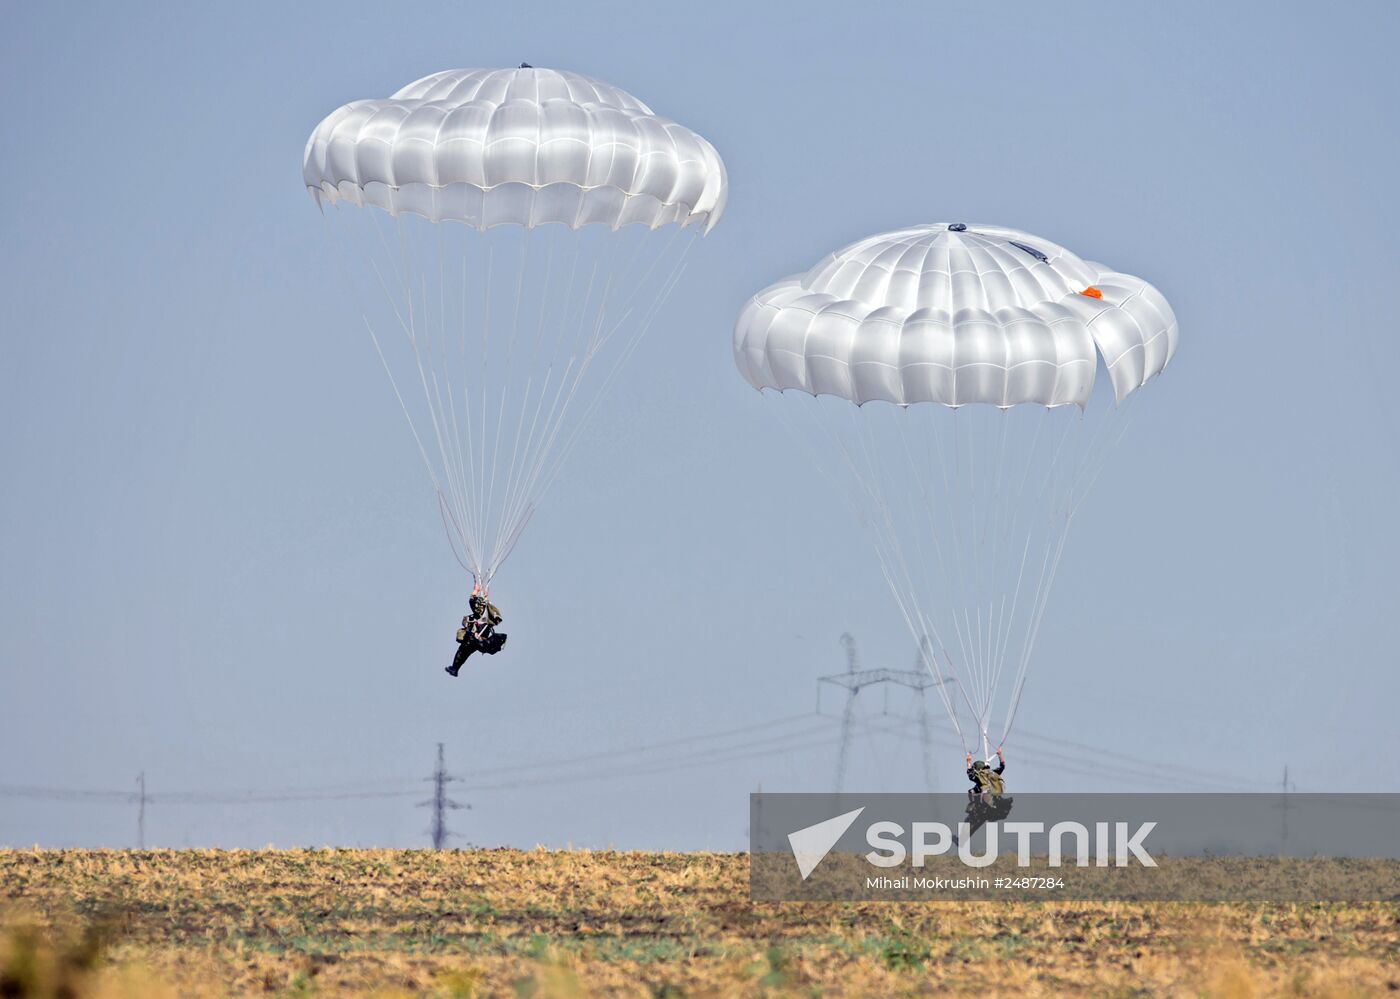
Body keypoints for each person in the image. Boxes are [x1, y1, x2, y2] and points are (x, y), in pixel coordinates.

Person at [445, 587, 507, 677]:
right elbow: (473, 602)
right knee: (463, 651)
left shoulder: (485, 615)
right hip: (475, 640)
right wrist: (479, 592)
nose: (477, 608)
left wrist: (480, 594)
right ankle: (454, 669)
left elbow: (473, 602)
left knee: (463, 651)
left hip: (477, 640)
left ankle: (454, 669)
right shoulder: (482, 615)